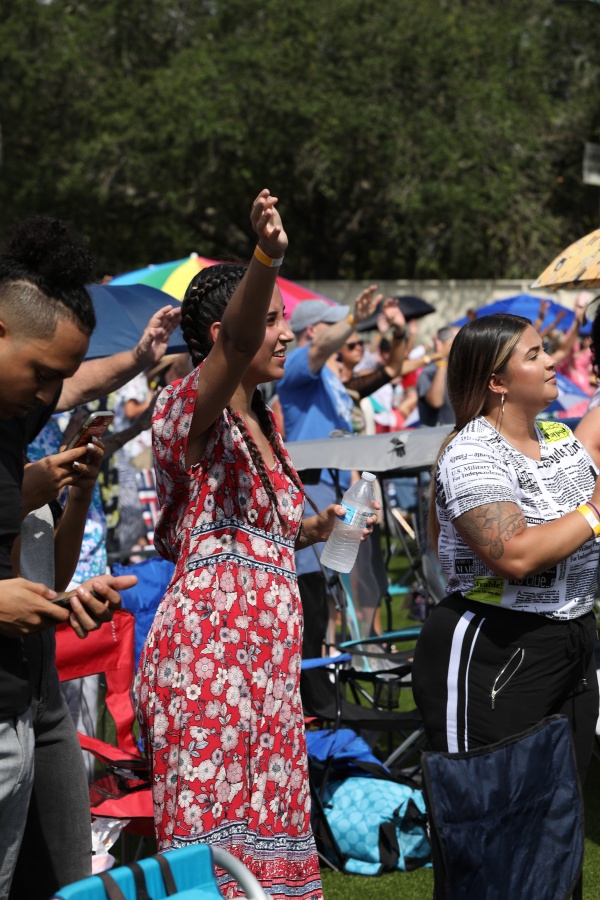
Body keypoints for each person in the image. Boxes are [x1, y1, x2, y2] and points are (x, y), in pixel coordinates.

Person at [135, 190, 376, 900]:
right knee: (213, 858)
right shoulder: (184, 412)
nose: (285, 334)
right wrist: (265, 256)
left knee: (270, 848)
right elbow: (237, 348)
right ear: (223, 334)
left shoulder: (267, 421)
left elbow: (254, 530)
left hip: (267, 669)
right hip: (208, 663)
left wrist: (315, 529)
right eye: (270, 320)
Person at [411, 313, 600, 895]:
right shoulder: (472, 452)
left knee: (557, 823)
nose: (552, 361)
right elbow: (514, 555)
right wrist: (596, 511)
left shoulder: (558, 438)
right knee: (490, 829)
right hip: (493, 649)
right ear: (497, 381)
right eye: (535, 354)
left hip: (570, 641)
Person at [0, 215, 138, 899]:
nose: (49, 396)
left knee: (62, 882)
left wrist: (62, 602)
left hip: (32, 694)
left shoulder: (12, 423)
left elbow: (36, 573)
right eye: (42, 374)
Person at [277, 291, 403, 657]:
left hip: (335, 489)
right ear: (313, 330)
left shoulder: (332, 379)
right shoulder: (299, 362)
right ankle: (310, 679)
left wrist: (396, 332)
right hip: (311, 489)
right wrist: (354, 320)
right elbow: (319, 349)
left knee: (332, 587)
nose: (348, 335)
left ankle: (328, 667)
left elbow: (391, 371)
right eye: (335, 326)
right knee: (311, 592)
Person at [416, 324, 458, 426]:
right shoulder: (428, 372)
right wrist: (442, 358)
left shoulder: (465, 368)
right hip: (439, 432)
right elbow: (435, 401)